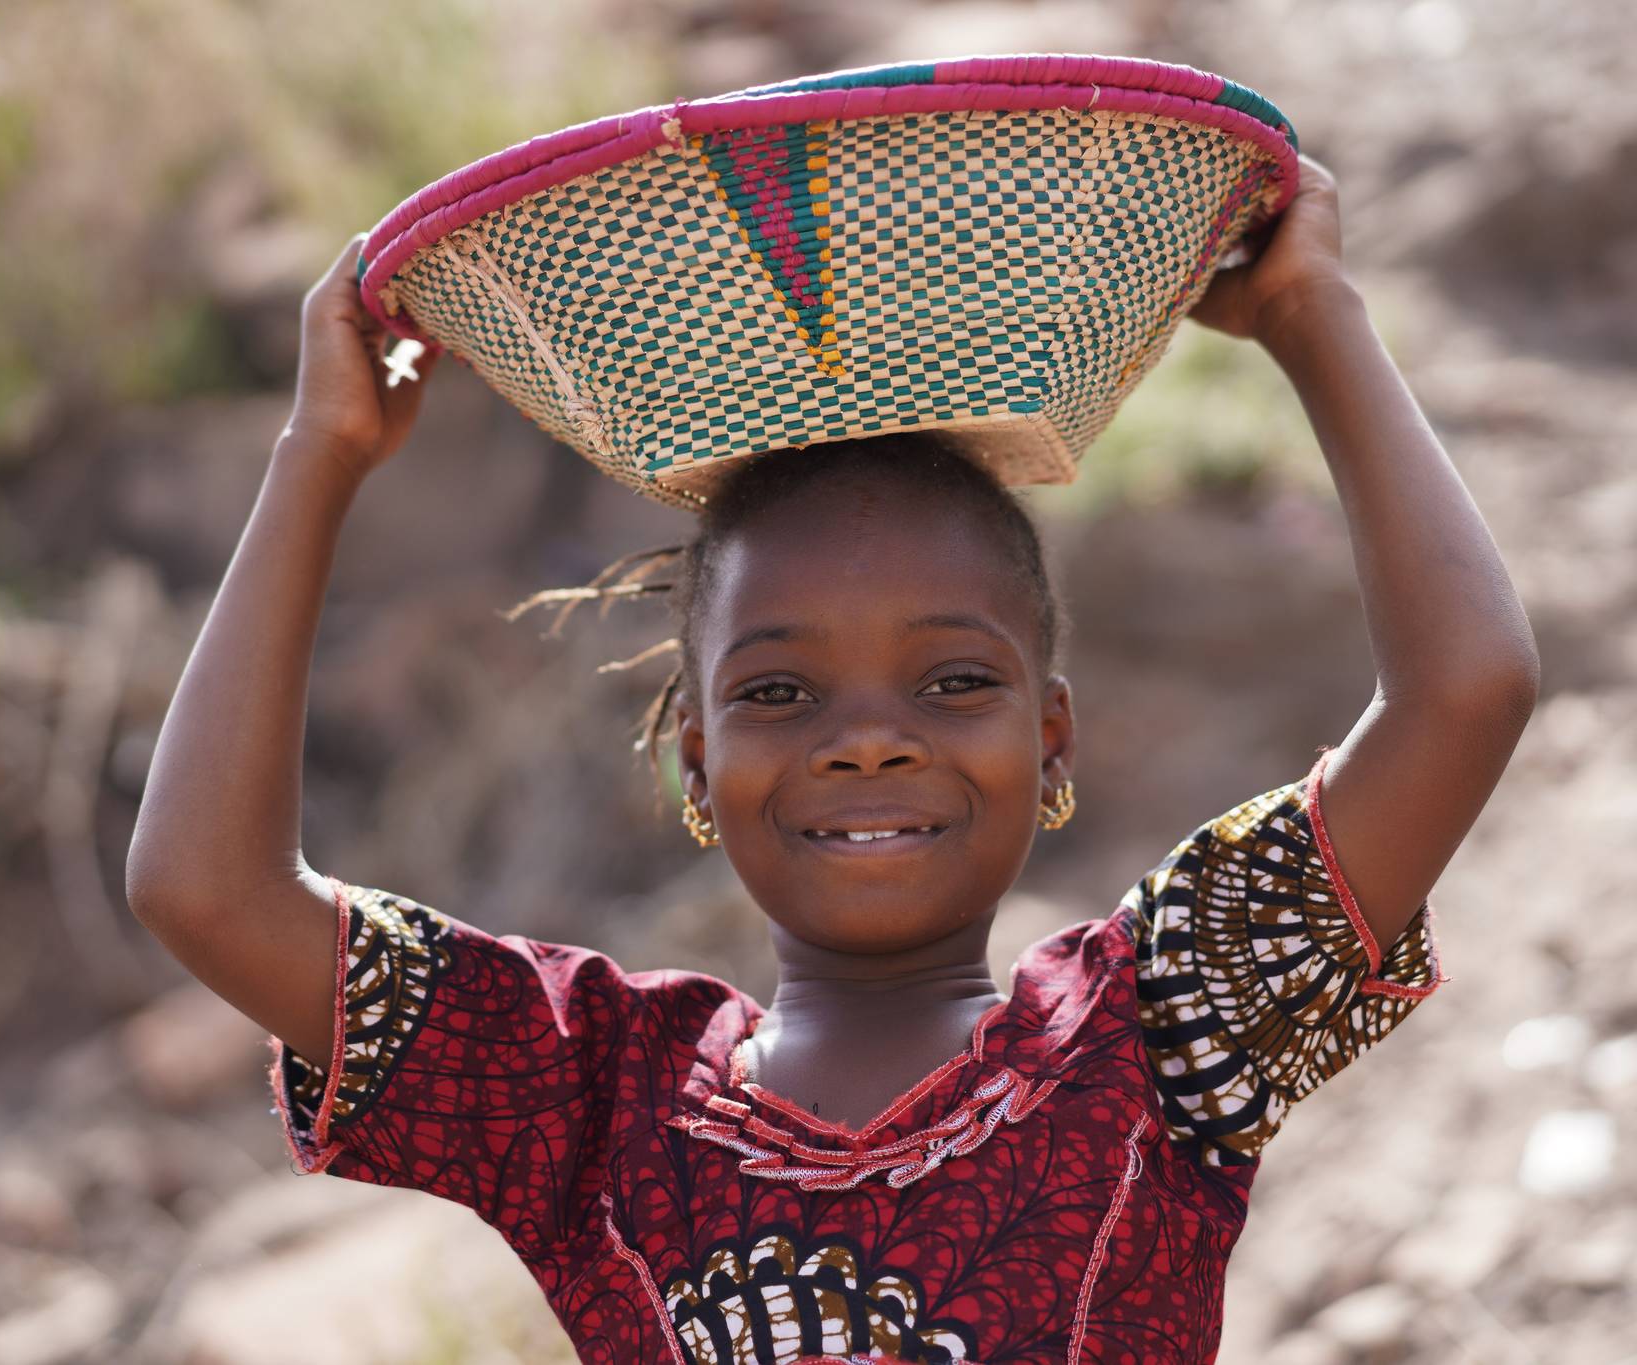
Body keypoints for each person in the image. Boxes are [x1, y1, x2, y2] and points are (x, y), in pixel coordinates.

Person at [125, 151, 1539, 1363]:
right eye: (784, 688)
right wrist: (317, 454)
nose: (869, 737)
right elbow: (205, 887)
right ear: (693, 757)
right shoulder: (586, 1090)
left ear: (1053, 734)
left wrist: (1314, 315)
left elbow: (1466, 691)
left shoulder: (1160, 1025)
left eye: (954, 678)